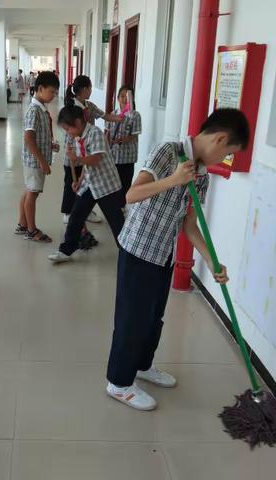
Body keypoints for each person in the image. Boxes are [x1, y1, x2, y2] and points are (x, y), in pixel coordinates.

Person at [106, 108, 250, 411]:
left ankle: (142, 366)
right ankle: (119, 383)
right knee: (132, 319)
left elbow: (188, 225)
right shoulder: (168, 152)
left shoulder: (202, 177)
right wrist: (173, 179)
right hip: (138, 251)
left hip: (163, 254)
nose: (223, 159)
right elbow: (131, 195)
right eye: (228, 153)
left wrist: (211, 261)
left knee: (154, 318)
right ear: (220, 139)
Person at [48, 106, 125, 263]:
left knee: (116, 222)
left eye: (67, 128)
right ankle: (66, 250)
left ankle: (128, 252)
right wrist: (80, 181)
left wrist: (75, 158)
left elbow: (94, 160)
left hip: (107, 185)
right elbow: (86, 165)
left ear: (77, 122)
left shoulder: (95, 133)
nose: (67, 132)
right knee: (76, 215)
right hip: (90, 184)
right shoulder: (79, 137)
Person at [63, 75, 123, 224]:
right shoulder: (72, 108)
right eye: (90, 88)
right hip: (75, 149)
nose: (91, 90)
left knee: (86, 184)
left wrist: (120, 117)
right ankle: (68, 212)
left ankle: (85, 211)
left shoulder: (89, 106)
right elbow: (69, 133)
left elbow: (105, 116)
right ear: (85, 89)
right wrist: (72, 152)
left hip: (88, 150)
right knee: (71, 181)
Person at [15, 71, 60, 243]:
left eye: (56, 93)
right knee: (32, 194)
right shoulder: (34, 110)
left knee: (28, 190)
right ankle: (32, 230)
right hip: (35, 161)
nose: (54, 96)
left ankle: (22, 224)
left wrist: (50, 145)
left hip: (34, 159)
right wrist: (42, 161)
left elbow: (38, 135)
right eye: (52, 92)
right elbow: (28, 138)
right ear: (40, 88)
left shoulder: (41, 108)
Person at [106, 85, 142, 203]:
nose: (124, 99)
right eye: (122, 96)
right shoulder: (112, 114)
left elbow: (134, 135)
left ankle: (121, 206)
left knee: (125, 182)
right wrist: (108, 141)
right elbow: (107, 132)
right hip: (113, 155)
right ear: (117, 98)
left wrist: (122, 140)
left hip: (127, 157)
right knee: (112, 182)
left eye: (127, 96)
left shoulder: (135, 116)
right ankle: (113, 204)